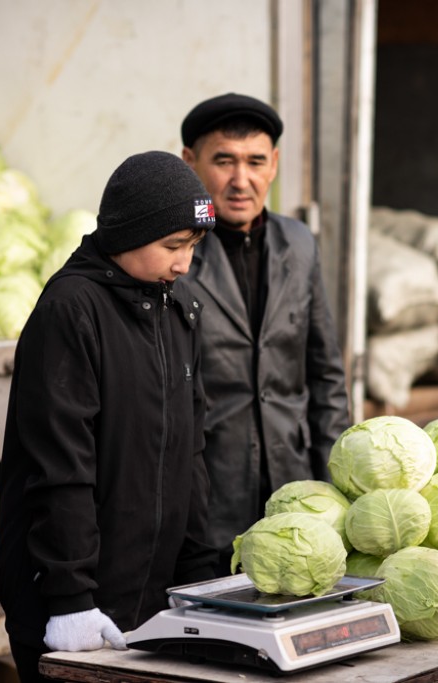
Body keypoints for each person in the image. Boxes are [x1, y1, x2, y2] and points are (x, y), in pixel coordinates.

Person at [0, 151, 219, 682]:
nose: (185, 264)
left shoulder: (177, 310)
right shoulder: (71, 311)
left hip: (151, 605)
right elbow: (59, 467)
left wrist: (199, 577)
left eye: (192, 247)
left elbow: (190, 455)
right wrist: (71, 599)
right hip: (72, 610)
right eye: (172, 246)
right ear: (128, 234)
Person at [180, 93, 350, 573]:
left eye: (255, 161)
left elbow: (326, 375)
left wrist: (338, 486)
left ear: (274, 164)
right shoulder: (174, 254)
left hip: (293, 492)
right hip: (206, 498)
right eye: (223, 161)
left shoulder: (298, 243)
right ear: (190, 163)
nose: (241, 180)